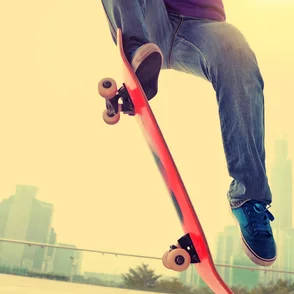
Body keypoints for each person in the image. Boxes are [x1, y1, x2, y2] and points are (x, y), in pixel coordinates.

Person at [101, 0, 277, 267]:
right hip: (149, 18)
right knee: (140, 37)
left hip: (201, 28)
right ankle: (138, 57)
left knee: (235, 48)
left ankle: (249, 198)